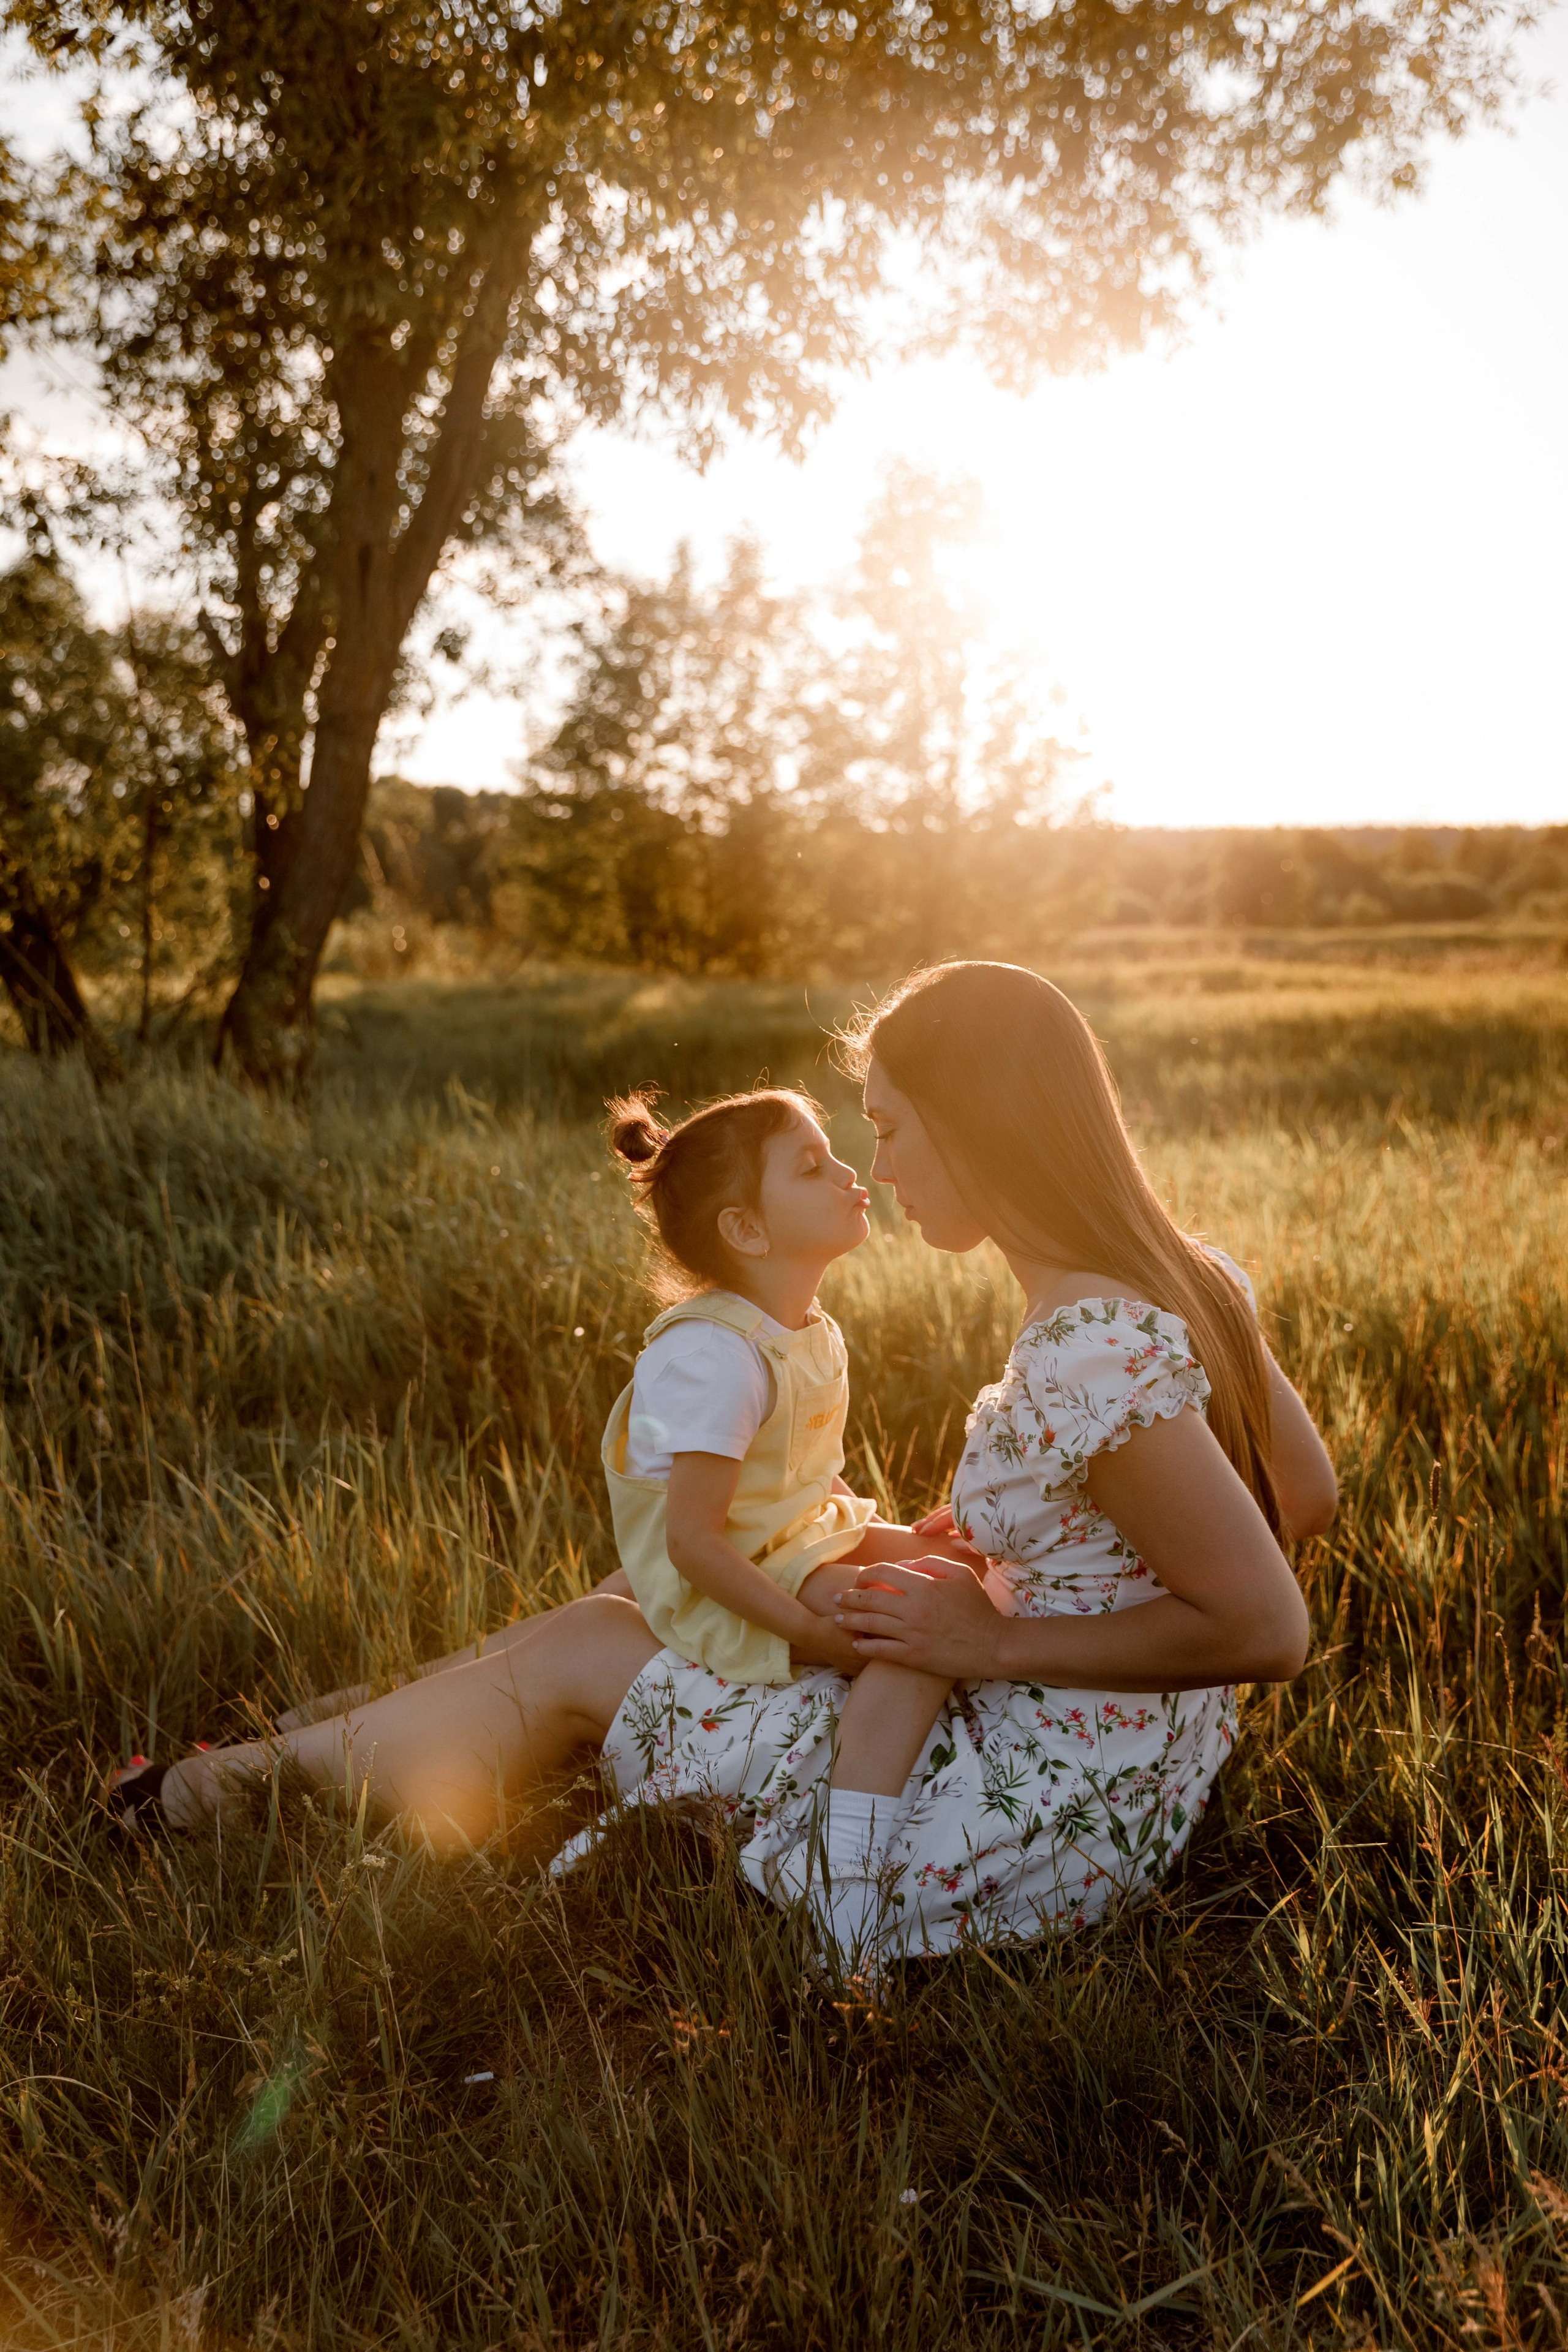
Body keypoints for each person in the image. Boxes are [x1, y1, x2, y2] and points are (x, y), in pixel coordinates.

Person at [110, 960, 1335, 1962]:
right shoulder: (1189, 1276)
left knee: (586, 1647)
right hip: (1132, 1764)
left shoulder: (1085, 1344)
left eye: (891, 1130)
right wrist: (1054, 1558)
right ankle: (293, 1743)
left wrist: (997, 1642)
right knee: (621, 1603)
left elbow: (1265, 1628)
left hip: (1027, 1808)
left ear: (977, 1126)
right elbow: (1302, 1496)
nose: (882, 1168)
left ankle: (212, 1793)